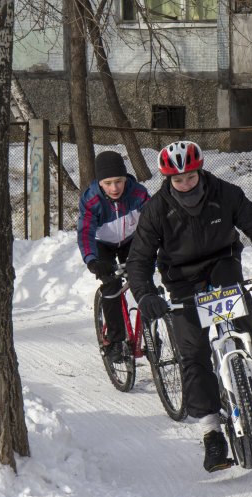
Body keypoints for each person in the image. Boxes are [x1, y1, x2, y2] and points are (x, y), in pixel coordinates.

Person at [125, 140, 252, 473]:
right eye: (178, 180)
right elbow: (140, 258)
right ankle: (211, 433)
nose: (186, 184)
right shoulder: (157, 209)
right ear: (168, 179)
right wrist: (146, 293)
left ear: (200, 171)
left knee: (244, 320)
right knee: (193, 353)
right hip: (181, 281)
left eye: (190, 177)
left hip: (222, 264)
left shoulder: (225, 193)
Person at [77, 150, 151, 363]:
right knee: (112, 286)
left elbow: (155, 221)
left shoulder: (138, 193)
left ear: (125, 178)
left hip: (132, 240)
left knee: (143, 281)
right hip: (103, 245)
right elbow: (85, 232)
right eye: (107, 183)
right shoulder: (92, 200)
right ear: (100, 183)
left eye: (118, 181)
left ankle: (153, 331)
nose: (114, 188)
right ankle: (116, 341)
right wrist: (92, 260)